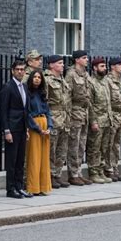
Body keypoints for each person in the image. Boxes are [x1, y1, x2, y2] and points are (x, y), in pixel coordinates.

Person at [0, 59, 33, 199]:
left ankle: (19, 187)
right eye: (18, 69)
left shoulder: (24, 87)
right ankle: (11, 188)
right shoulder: (8, 87)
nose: (20, 71)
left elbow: (26, 109)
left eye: (22, 69)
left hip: (22, 127)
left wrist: (26, 129)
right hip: (12, 128)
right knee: (12, 161)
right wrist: (6, 130)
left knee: (20, 160)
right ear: (13, 71)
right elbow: (3, 110)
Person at [65, 50, 92, 186]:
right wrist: (68, 115)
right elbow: (67, 96)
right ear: (76, 60)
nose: (87, 60)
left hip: (84, 112)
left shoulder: (86, 74)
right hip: (75, 112)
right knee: (74, 145)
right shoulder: (71, 74)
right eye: (84, 58)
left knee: (82, 145)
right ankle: (73, 174)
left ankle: (79, 172)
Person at [44, 55, 70, 189]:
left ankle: (57, 175)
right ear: (51, 65)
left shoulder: (62, 79)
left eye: (62, 63)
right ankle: (49, 175)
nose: (62, 65)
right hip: (54, 117)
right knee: (51, 150)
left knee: (62, 149)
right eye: (59, 63)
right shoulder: (47, 80)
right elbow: (45, 100)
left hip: (64, 118)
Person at [86, 57, 113, 184]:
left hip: (107, 119)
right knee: (94, 148)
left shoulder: (106, 82)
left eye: (105, 66)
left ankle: (101, 170)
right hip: (97, 120)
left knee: (104, 148)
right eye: (102, 66)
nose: (105, 68)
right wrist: (93, 121)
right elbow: (89, 104)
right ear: (95, 68)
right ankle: (93, 172)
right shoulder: (91, 82)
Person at [25, 70, 52, 196]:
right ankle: (33, 187)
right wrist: (37, 128)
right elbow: (27, 113)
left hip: (45, 124)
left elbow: (48, 112)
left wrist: (50, 127)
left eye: (39, 77)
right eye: (35, 77)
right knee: (34, 157)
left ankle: (43, 186)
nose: (37, 79)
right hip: (35, 125)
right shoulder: (28, 93)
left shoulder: (42, 93)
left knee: (44, 158)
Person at [105, 57, 121, 181]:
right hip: (112, 115)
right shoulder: (108, 80)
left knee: (117, 145)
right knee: (110, 144)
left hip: (120, 116)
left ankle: (114, 168)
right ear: (112, 66)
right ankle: (109, 169)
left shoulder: (120, 81)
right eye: (119, 64)